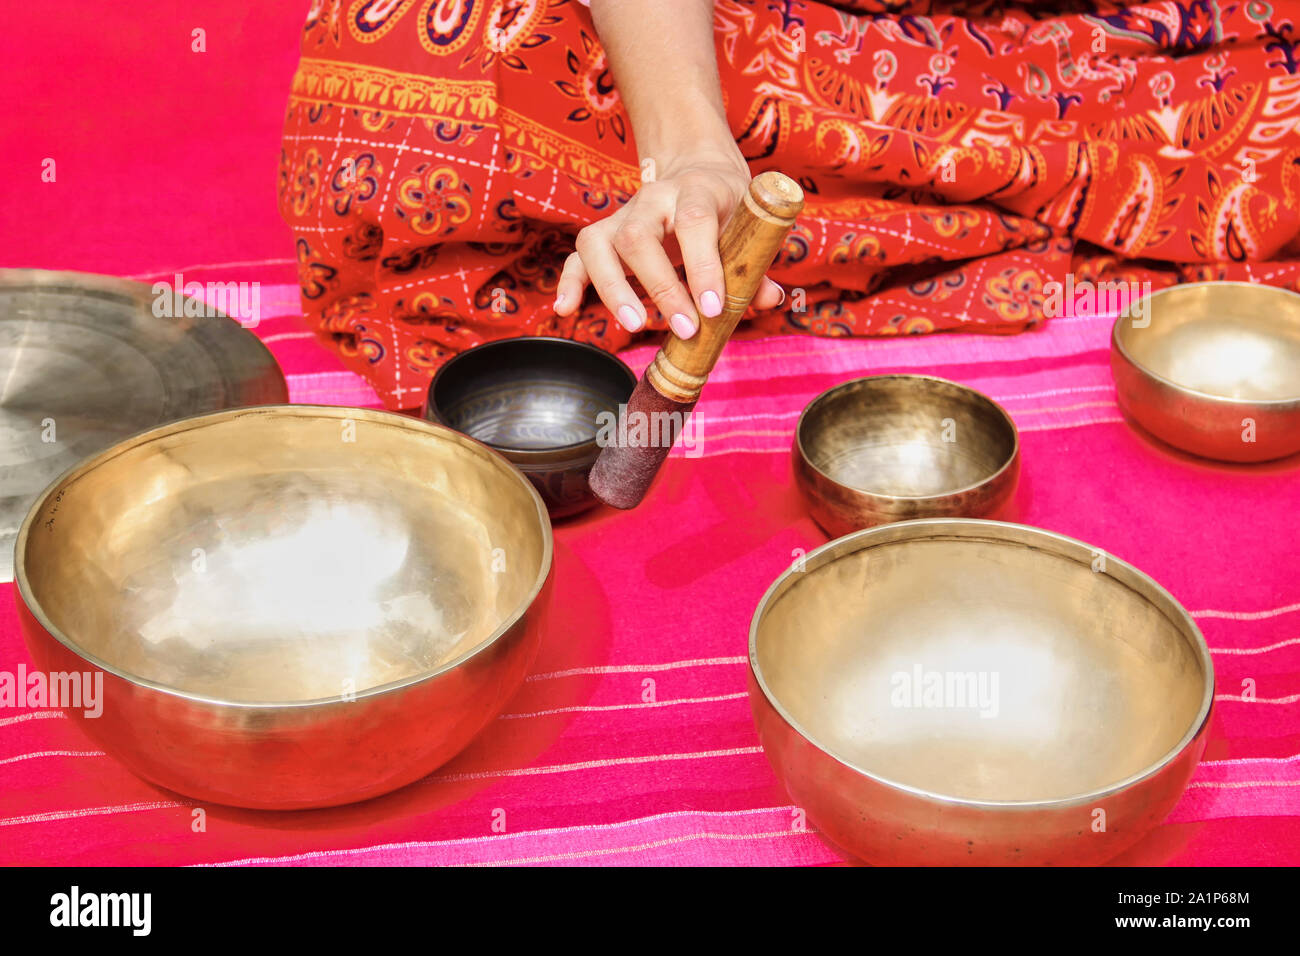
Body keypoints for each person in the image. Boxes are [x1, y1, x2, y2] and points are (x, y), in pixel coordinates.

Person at [279, 0, 1300, 410]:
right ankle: (916, 194)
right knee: (414, 57)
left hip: (1095, 36)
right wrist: (687, 148)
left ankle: (939, 188)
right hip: (752, 33)